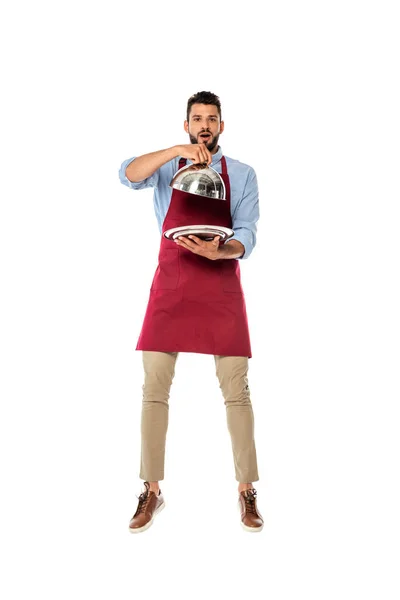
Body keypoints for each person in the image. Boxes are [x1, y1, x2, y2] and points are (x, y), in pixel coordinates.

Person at [118, 91, 263, 533]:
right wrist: (178, 153)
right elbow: (126, 174)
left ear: (222, 126)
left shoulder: (241, 173)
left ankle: (246, 491)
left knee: (236, 391)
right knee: (154, 388)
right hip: (172, 281)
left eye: (212, 119)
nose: (204, 125)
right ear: (187, 125)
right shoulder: (167, 166)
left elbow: (247, 232)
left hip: (220, 281)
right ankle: (152, 489)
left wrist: (225, 253)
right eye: (196, 119)